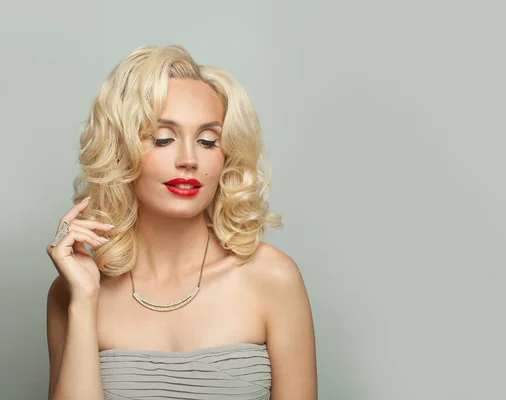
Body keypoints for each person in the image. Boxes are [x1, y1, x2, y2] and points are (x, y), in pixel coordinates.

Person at [45, 44, 317, 400]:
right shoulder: (73, 291)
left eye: (208, 141)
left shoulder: (272, 277)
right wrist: (84, 300)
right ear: (121, 150)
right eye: (163, 138)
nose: (188, 159)